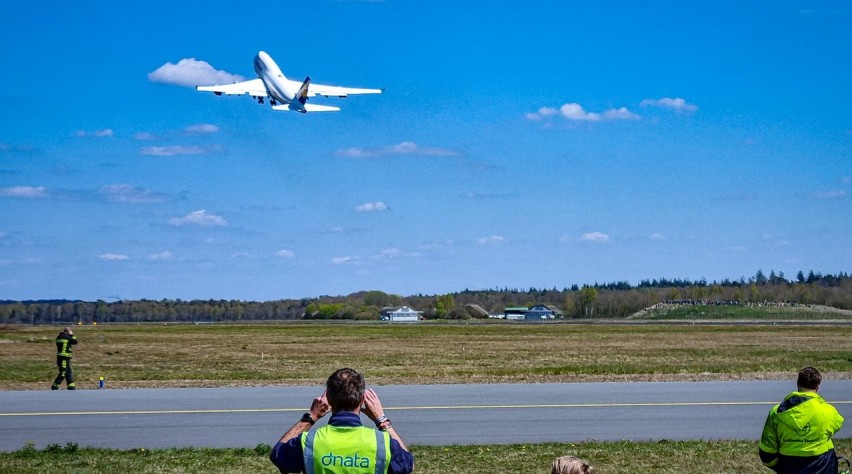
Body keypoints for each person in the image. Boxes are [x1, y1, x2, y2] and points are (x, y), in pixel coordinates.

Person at [270, 368, 414, 474]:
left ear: (329, 400)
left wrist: (311, 417)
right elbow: (408, 465)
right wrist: (382, 420)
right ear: (363, 400)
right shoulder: (382, 442)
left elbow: (278, 455)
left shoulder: (309, 442)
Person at [759, 367, 845, 473]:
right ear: (818, 387)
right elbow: (837, 424)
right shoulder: (828, 411)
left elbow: (766, 452)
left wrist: (779, 467)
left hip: (789, 465)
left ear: (797, 383)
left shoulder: (776, 413)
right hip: (822, 466)